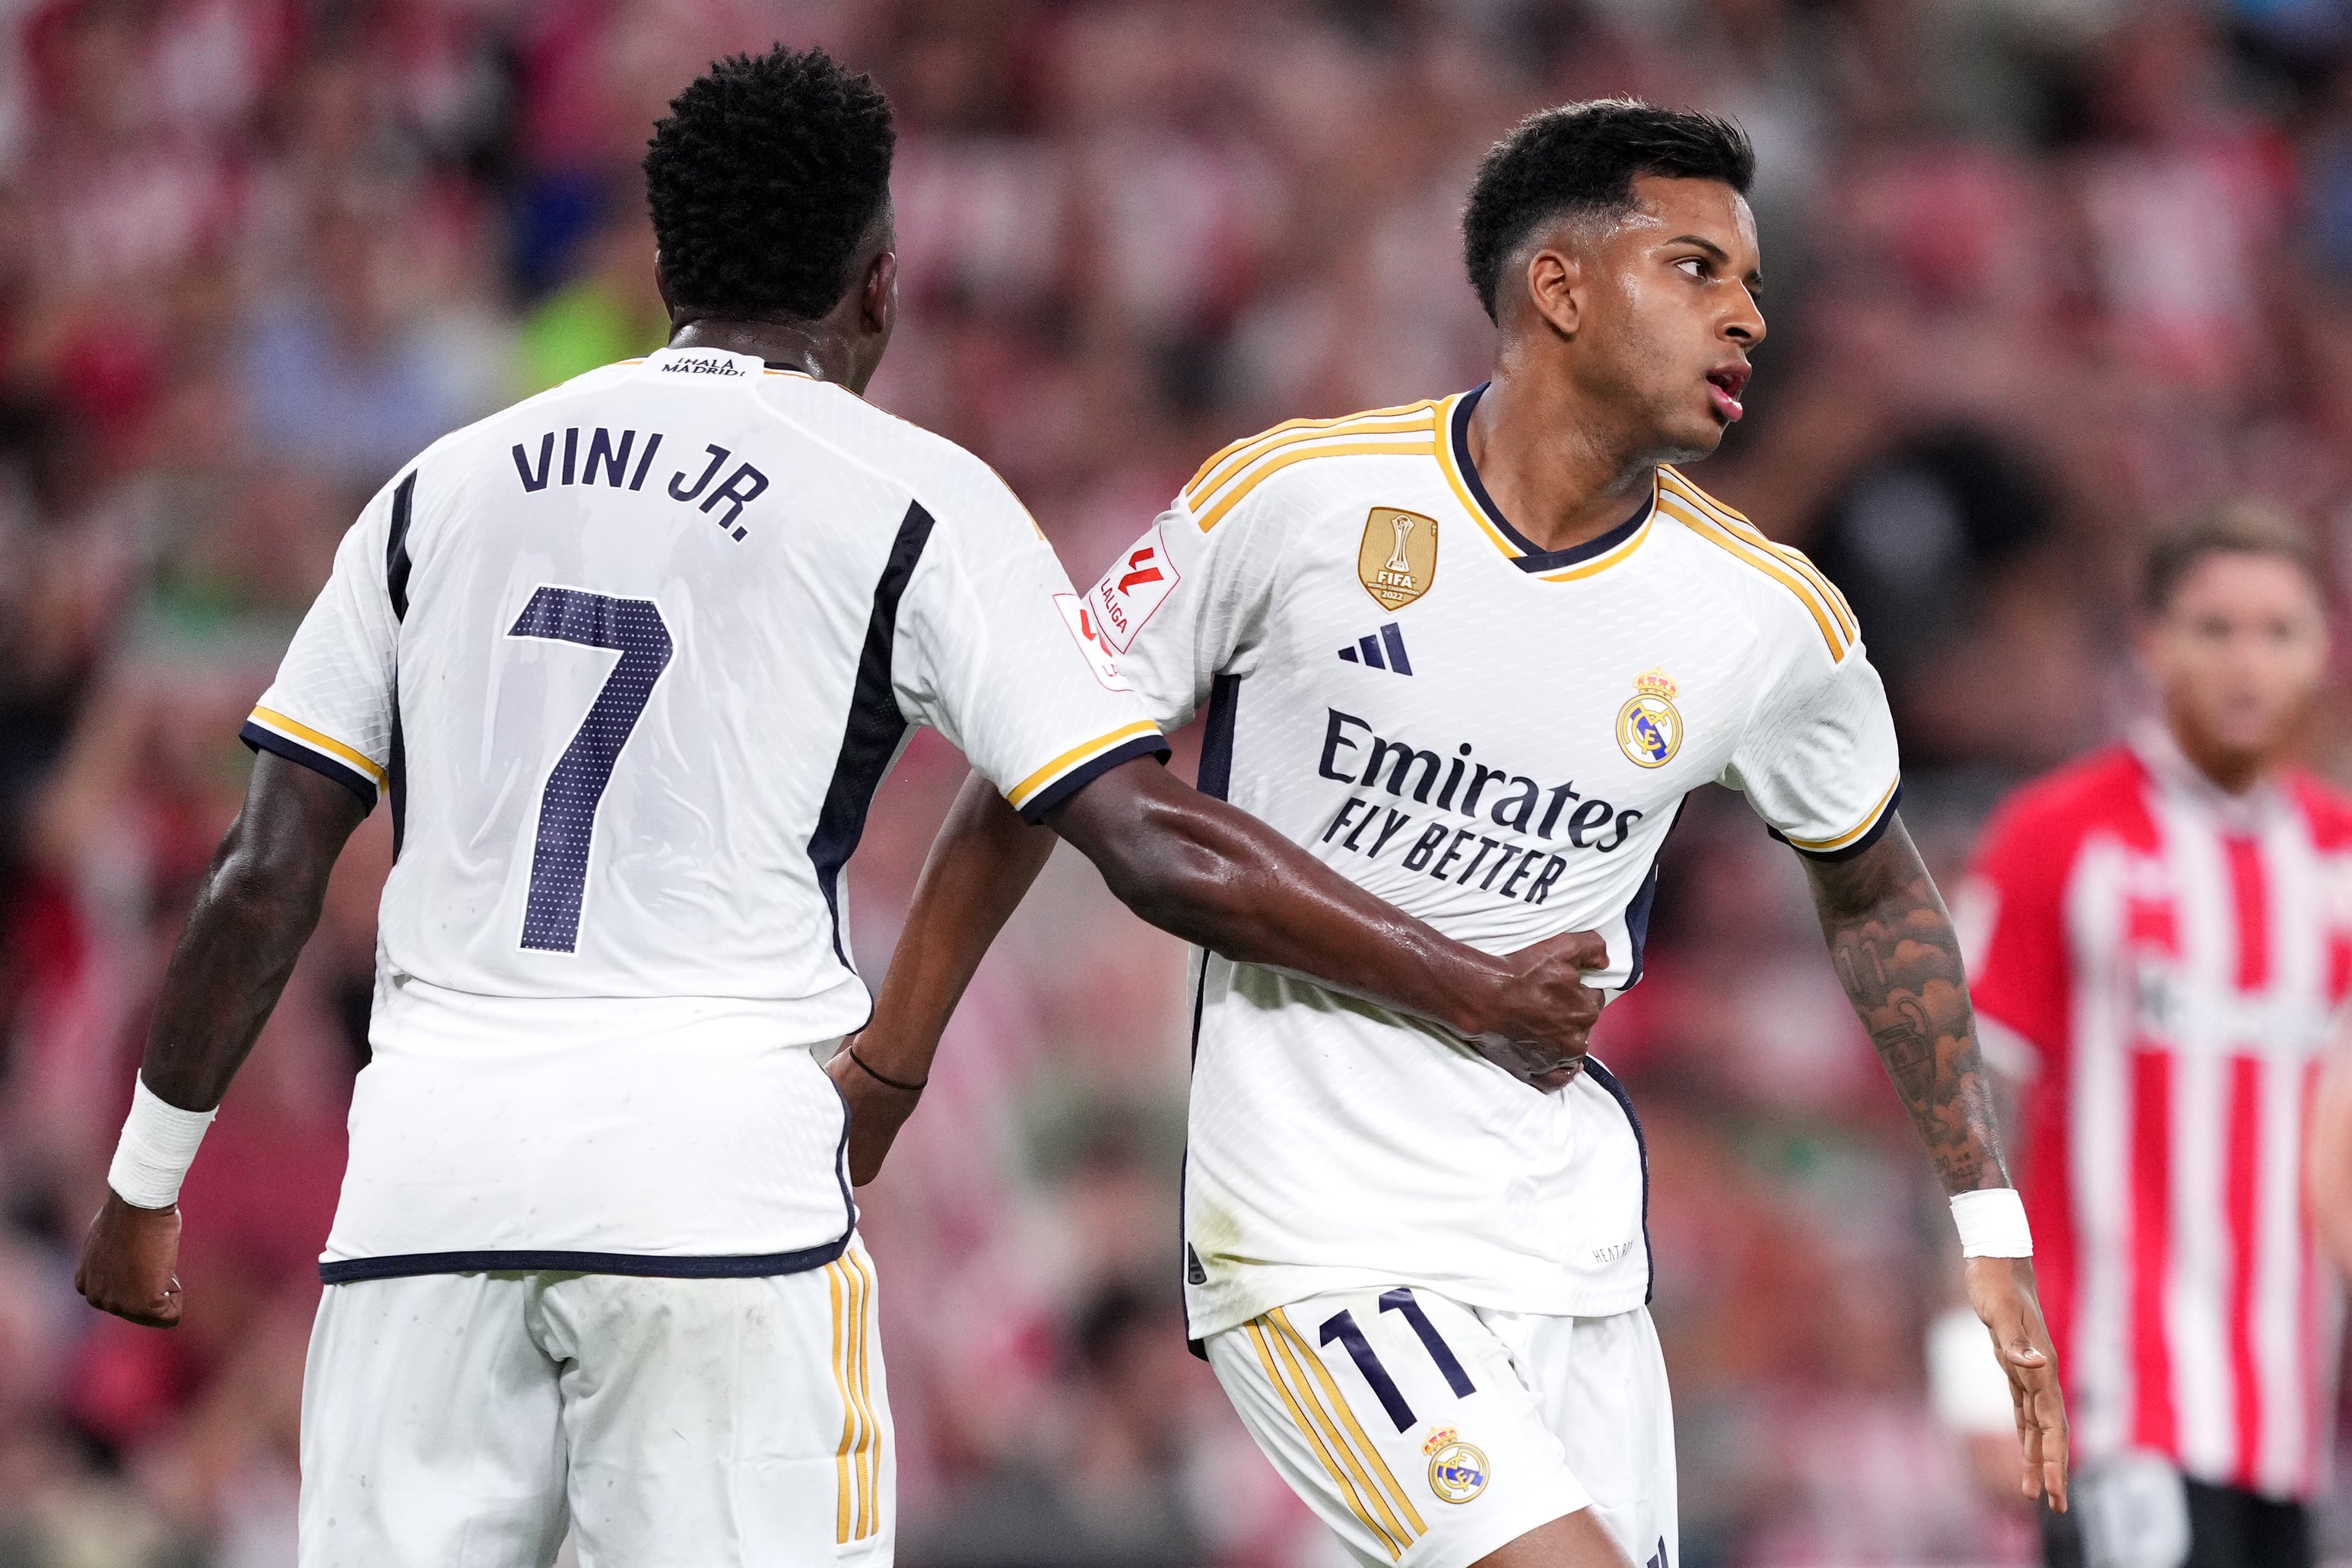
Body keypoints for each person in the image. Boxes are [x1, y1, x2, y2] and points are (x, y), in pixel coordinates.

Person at [69, 47, 1611, 1567]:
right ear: (879, 281)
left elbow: (262, 873)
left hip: (427, 1177)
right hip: (714, 1178)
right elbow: (1145, 837)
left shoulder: (437, 488)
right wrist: (1465, 977)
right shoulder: (909, 493)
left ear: (666, 258)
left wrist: (146, 1185)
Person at [838, 100, 2068, 1568]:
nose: (1747, 313)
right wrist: (886, 1076)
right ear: (1556, 289)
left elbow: (1873, 894)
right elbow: (1031, 781)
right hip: (1318, 1235)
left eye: (1749, 280)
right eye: (1695, 270)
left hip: (1572, 1254)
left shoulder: (1769, 618)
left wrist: (1985, 1219)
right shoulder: (1295, 502)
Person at [1960, 502, 2345, 1568]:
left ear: (2320, 650)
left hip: (2292, 1424)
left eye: (2278, 631)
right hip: (2114, 1398)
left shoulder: (2339, 862)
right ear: (2152, 641)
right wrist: (1967, 1362)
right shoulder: (2055, 837)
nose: (2245, 662)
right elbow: (1960, 1115)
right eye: (2214, 627)